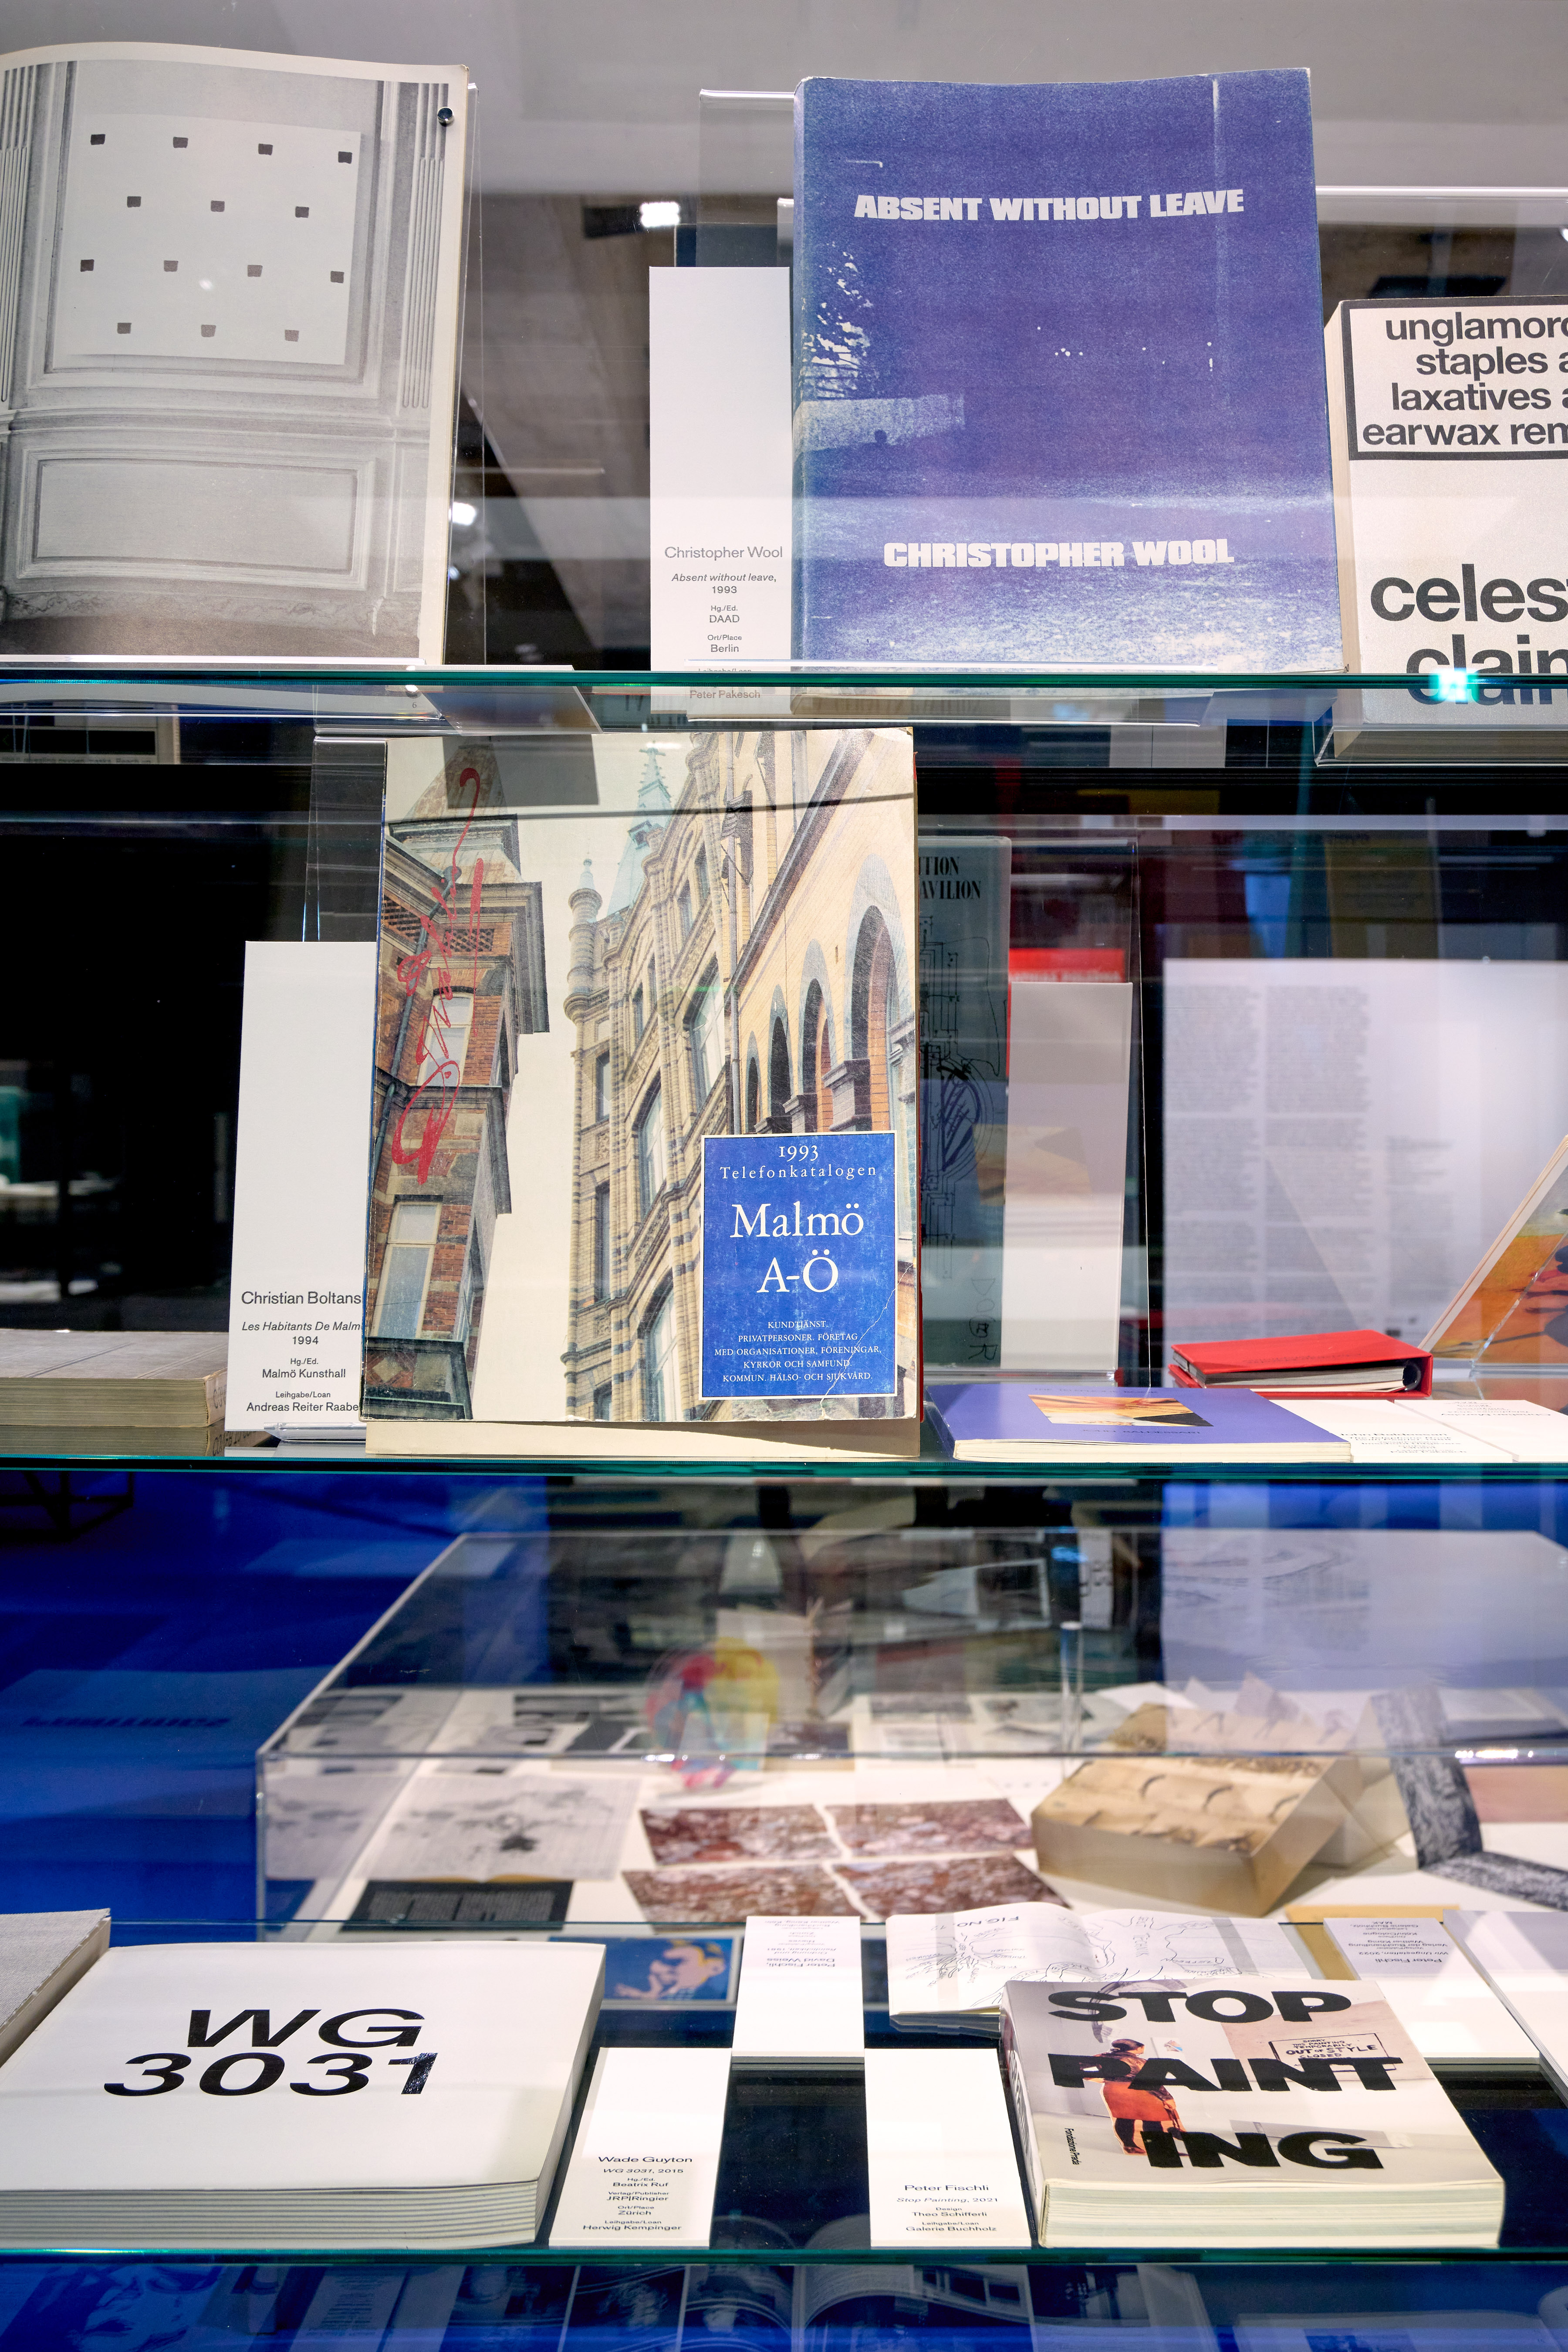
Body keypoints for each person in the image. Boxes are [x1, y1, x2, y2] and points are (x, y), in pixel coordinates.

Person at [1098, 2036, 1182, 2154]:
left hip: (1113, 2089)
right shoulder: (1140, 2062)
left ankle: (1129, 2145)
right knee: (1152, 2119)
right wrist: (1167, 2098)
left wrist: (1101, 2079)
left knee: (1124, 2118)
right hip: (1138, 2091)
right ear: (1138, 2048)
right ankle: (1158, 2149)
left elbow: (1080, 2067)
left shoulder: (1102, 2057)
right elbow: (1152, 2082)